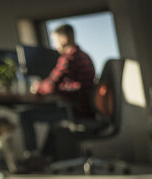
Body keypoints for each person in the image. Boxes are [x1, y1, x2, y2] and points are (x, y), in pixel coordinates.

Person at [20, 24, 96, 158]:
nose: (55, 46)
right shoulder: (85, 56)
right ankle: (46, 157)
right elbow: (77, 85)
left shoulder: (69, 58)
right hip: (87, 109)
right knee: (53, 122)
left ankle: (32, 158)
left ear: (64, 39)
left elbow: (51, 85)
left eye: (55, 41)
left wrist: (37, 87)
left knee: (26, 115)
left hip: (74, 110)